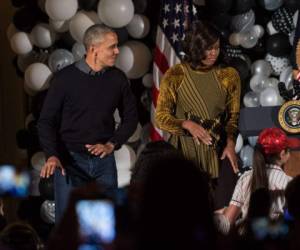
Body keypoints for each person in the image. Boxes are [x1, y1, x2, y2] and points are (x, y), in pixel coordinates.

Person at [37, 24, 138, 222]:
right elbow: (46, 121)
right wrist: (52, 155)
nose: (117, 51)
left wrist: (112, 144)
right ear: (93, 49)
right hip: (69, 162)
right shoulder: (64, 79)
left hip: (104, 164)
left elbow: (131, 117)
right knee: (68, 228)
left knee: (106, 227)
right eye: (112, 47)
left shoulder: (117, 78)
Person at [155, 20, 241, 207]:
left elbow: (233, 118)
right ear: (194, 47)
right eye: (207, 48)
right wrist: (186, 124)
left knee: (221, 212)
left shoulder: (229, 75)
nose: (213, 53)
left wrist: (230, 144)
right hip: (184, 154)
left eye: (217, 48)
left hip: (217, 152)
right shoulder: (176, 74)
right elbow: (161, 117)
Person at [223, 127, 300, 230]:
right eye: (288, 150)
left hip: (247, 240)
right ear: (282, 154)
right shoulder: (289, 183)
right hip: (276, 242)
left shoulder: (245, 178)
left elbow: (227, 222)